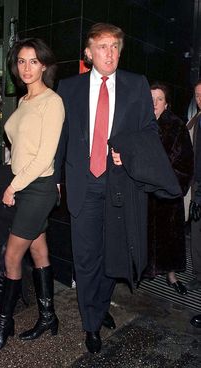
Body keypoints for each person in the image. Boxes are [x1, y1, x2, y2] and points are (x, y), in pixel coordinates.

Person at [55, 23, 182, 354]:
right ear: (88, 53)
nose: (109, 53)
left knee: (113, 255)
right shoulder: (68, 87)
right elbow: (61, 136)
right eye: (102, 47)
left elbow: (148, 132)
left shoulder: (135, 84)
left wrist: (129, 154)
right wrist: (55, 178)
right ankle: (90, 323)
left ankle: (98, 305)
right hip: (83, 183)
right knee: (85, 258)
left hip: (119, 185)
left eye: (114, 47)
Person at [0, 38, 65, 356]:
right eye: (21, 61)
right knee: (39, 250)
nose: (27, 67)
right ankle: (49, 316)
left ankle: (4, 326)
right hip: (22, 183)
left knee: (11, 257)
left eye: (33, 61)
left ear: (44, 64)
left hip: (37, 188)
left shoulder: (52, 101)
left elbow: (45, 156)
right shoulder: (23, 101)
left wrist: (12, 187)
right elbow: (19, 149)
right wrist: (9, 175)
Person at [143, 83, 193, 294]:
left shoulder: (176, 125)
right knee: (143, 236)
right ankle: (142, 272)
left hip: (166, 194)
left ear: (167, 103)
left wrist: (168, 185)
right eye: (151, 98)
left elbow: (185, 162)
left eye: (159, 99)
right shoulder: (139, 123)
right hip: (143, 193)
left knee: (169, 238)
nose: (154, 103)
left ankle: (171, 277)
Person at [186, 79, 201, 291]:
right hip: (196, 185)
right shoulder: (196, 120)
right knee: (196, 234)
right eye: (197, 95)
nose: (200, 99)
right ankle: (198, 275)